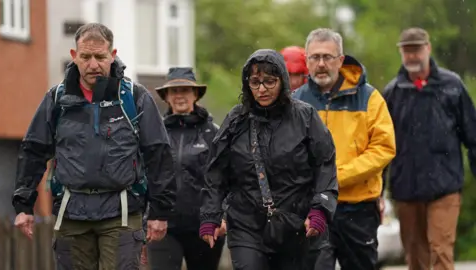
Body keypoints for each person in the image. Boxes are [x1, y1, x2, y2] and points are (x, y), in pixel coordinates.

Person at [12, 23, 176, 270]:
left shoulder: (135, 97)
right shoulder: (57, 100)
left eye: (100, 57)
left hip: (122, 212)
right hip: (71, 213)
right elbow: (34, 150)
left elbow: (159, 155)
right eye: (85, 57)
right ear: (74, 56)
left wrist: (160, 212)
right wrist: (24, 206)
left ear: (112, 55)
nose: (93, 64)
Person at [199, 48, 338, 270]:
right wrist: (210, 216)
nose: (262, 89)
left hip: (296, 224)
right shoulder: (236, 121)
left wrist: (320, 209)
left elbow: (325, 165)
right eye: (255, 82)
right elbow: (216, 172)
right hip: (246, 224)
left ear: (282, 81)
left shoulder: (306, 117)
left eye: (269, 82)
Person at [292, 28, 396, 270]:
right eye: (314, 57)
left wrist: (338, 176)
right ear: (306, 61)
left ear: (341, 60)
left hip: (358, 207)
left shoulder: (370, 98)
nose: (321, 64)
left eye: (327, 57)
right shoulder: (295, 101)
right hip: (312, 207)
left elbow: (384, 147)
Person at [383, 27, 476, 270]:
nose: (412, 56)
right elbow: (381, 147)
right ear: (401, 53)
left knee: (441, 250)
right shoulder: (392, 93)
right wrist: (377, 191)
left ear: (428, 48)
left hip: (444, 187)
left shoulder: (452, 86)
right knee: (415, 256)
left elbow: (473, 137)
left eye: (417, 49)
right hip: (406, 189)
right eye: (407, 50)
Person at [144, 67, 226, 270]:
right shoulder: (155, 133)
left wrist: (222, 215)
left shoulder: (213, 133)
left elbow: (225, 178)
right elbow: (146, 175)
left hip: (204, 225)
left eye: (185, 90)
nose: (180, 95)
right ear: (166, 97)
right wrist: (146, 216)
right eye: (174, 91)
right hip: (163, 225)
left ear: (195, 94)